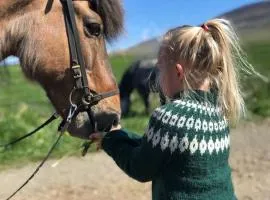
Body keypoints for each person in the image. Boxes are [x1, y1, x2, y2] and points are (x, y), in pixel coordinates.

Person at [90, 18, 254, 200]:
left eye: (160, 69)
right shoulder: (218, 114)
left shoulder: (169, 118)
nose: (158, 78)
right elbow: (163, 147)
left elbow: (140, 167)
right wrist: (120, 134)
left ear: (178, 72)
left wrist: (110, 141)